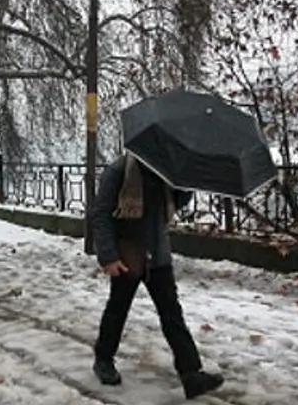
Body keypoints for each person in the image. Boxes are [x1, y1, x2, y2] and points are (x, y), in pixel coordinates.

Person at [91, 152, 224, 400]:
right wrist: (108, 256)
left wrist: (185, 184)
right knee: (117, 310)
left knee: (172, 313)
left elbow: (177, 203)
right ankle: (103, 359)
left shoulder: (166, 171)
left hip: (158, 255)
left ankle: (191, 374)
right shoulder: (119, 171)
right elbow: (100, 214)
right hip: (128, 254)